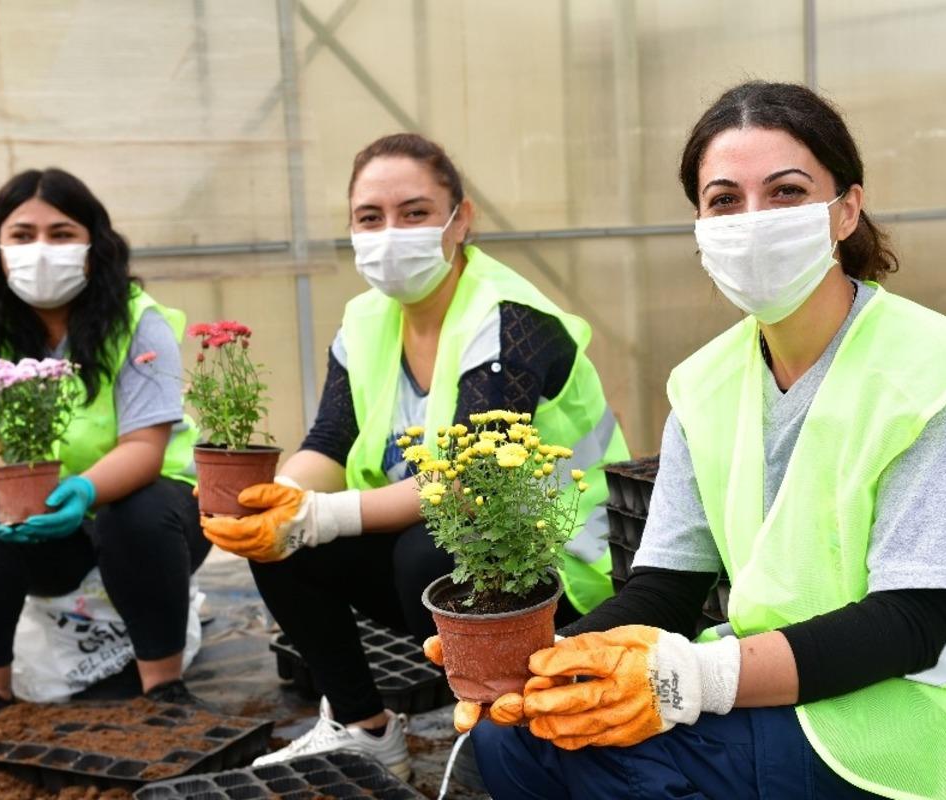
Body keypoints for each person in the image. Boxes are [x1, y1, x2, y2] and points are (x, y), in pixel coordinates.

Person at [468, 81, 946, 799]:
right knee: (516, 732)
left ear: (846, 211)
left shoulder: (939, 380)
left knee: (618, 761)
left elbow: (911, 623)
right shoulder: (705, 384)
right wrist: (540, 666)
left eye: (787, 192)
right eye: (725, 200)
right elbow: (667, 590)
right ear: (699, 224)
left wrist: (688, 680)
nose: (753, 220)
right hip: (806, 681)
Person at [201, 132, 629, 778]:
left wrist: (320, 516)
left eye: (415, 212)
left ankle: (511, 734)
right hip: (448, 550)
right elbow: (330, 440)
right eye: (370, 217)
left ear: (462, 219)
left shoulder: (508, 317)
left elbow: (471, 486)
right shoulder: (367, 320)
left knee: (424, 555)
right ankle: (362, 728)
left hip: (563, 567)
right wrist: (281, 500)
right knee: (279, 543)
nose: (390, 232)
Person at [0, 168, 208, 718]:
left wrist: (82, 491)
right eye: (22, 234)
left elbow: (145, 448)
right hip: (37, 524)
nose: (41, 250)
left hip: (155, 513)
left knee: (138, 514)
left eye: (61, 234)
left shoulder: (136, 320)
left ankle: (163, 688)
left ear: (93, 244)